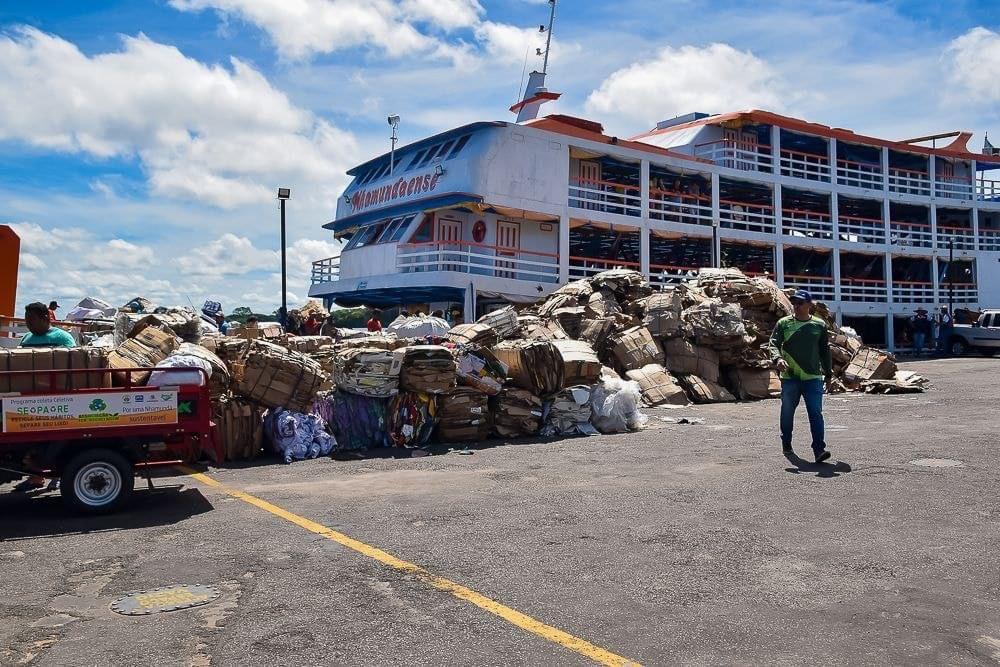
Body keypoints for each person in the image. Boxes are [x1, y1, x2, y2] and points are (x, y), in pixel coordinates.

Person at [768, 289, 833, 463]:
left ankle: (819, 449)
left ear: (809, 305)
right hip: (790, 377)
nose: (796, 306)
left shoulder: (819, 325)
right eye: (794, 302)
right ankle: (786, 443)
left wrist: (829, 374)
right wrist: (778, 358)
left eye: (800, 302)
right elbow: (773, 344)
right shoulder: (783, 323)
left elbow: (824, 351)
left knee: (816, 413)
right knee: (787, 412)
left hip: (813, 377)